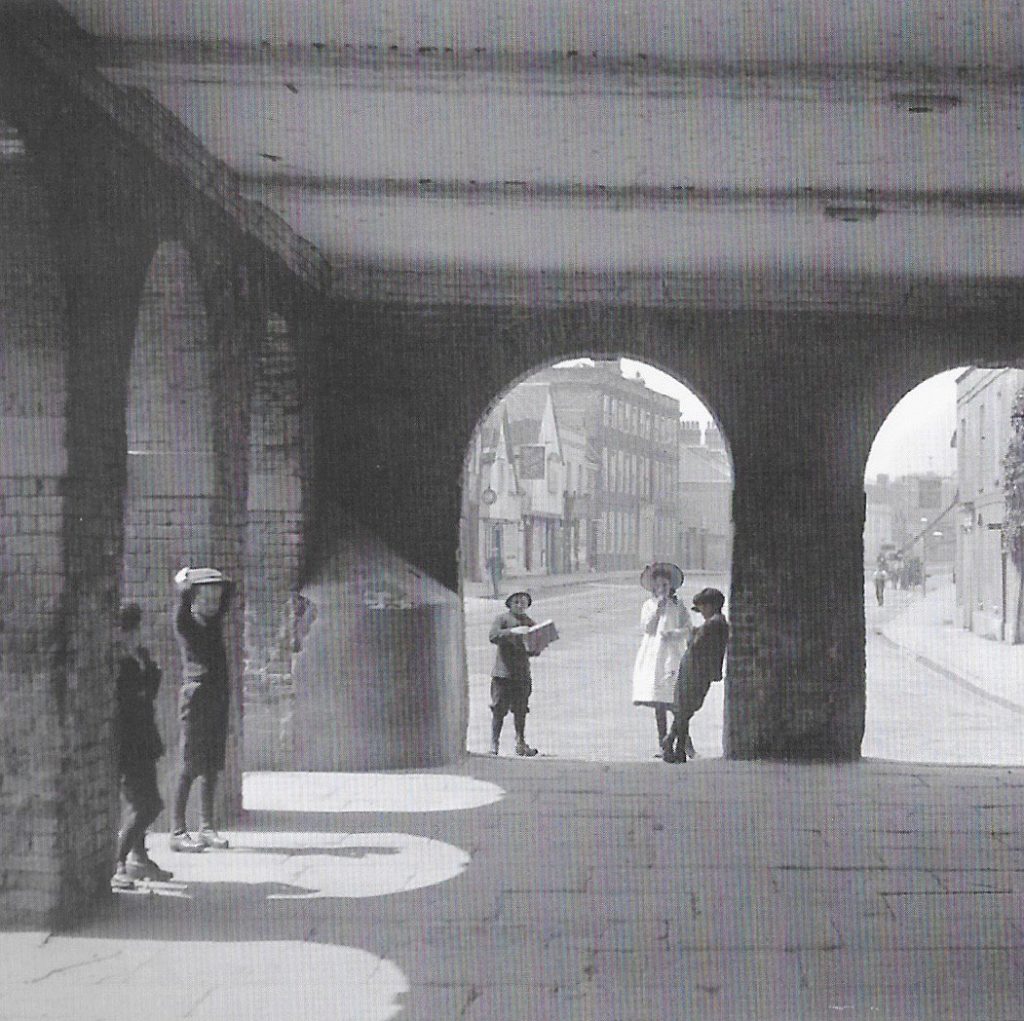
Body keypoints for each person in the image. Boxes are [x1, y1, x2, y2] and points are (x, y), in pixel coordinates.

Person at [169, 566, 235, 853]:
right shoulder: (186, 623)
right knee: (189, 765)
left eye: (214, 599)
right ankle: (177, 832)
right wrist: (186, 582)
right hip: (195, 700)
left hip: (217, 699)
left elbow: (230, 592)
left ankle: (206, 827)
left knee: (212, 765)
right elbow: (182, 604)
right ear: (193, 599)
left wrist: (214, 579)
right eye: (205, 598)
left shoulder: (214, 621)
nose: (212, 604)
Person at [111, 603, 174, 889]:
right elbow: (129, 700)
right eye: (129, 629)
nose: (134, 635)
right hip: (128, 742)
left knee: (146, 801)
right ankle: (119, 861)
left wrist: (148, 676)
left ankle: (138, 857)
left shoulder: (141, 658)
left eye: (135, 629)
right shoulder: (119, 662)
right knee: (146, 805)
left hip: (144, 739)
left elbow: (147, 694)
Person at [663, 588, 729, 763]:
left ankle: (672, 742)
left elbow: (696, 645)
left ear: (711, 606)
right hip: (700, 670)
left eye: (703, 607)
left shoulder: (712, 624)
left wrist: (692, 635)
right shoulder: (718, 623)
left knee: (684, 708)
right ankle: (676, 746)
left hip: (695, 669)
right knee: (686, 709)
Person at [631, 563, 691, 757]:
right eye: (658, 586)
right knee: (659, 701)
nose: (662, 589)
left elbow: (688, 627)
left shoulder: (678, 605)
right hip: (654, 654)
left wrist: (674, 633)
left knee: (676, 699)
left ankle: (683, 741)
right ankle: (662, 742)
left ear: (671, 586)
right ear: (654, 588)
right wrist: (658, 610)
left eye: (666, 585)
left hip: (672, 653)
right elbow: (647, 628)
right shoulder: (648, 606)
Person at [489, 591, 540, 757]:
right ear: (510, 603)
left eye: (523, 602)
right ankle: (494, 743)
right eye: (516, 601)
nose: (519, 605)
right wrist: (513, 632)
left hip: (522, 674)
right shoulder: (502, 619)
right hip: (502, 673)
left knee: (521, 710)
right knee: (499, 709)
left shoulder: (530, 622)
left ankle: (520, 742)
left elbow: (535, 649)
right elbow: (493, 636)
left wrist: (535, 644)